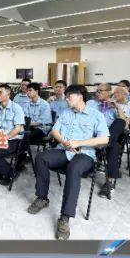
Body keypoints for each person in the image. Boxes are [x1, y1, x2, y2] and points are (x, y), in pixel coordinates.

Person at [27, 83, 108, 240]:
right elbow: (54, 131)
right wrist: (64, 142)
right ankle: (42, 198)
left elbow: (104, 139)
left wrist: (78, 143)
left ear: (80, 97)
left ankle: (65, 217)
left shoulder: (96, 115)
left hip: (84, 154)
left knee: (74, 168)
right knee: (41, 157)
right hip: (64, 150)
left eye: (69, 96)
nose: (66, 99)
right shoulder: (66, 112)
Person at [89, 82, 130, 200]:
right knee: (114, 147)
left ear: (108, 92)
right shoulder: (91, 103)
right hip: (93, 134)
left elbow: (125, 124)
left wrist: (117, 107)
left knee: (120, 122)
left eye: (100, 91)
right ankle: (110, 182)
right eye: (97, 91)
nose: (97, 93)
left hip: (108, 135)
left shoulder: (117, 106)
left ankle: (106, 143)